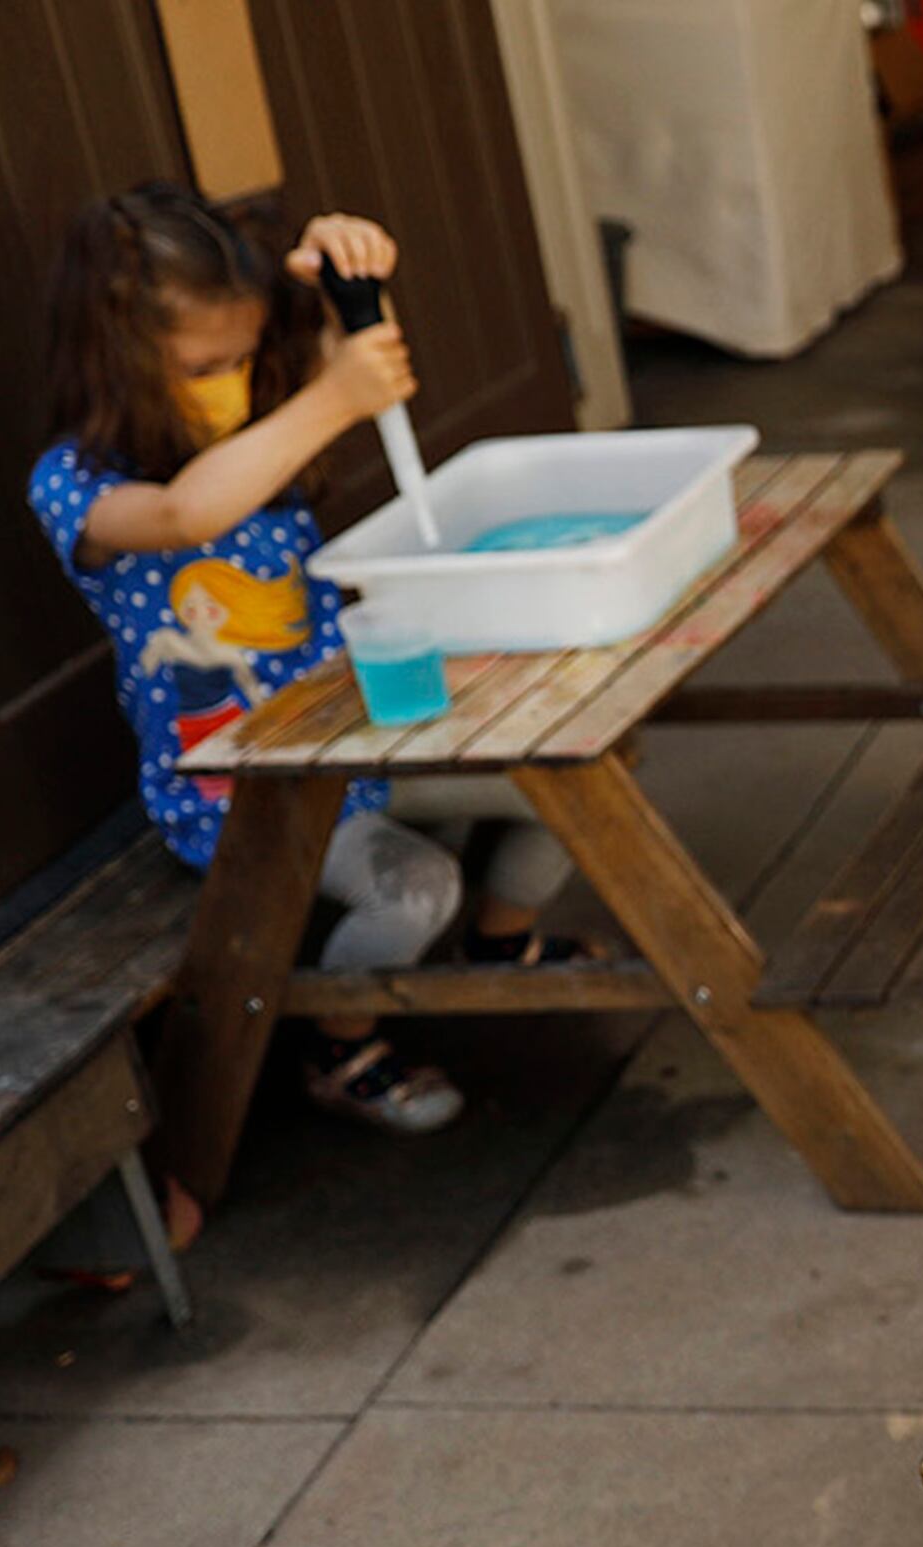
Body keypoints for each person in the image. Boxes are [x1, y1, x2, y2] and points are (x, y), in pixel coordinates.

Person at [31, 184, 592, 1138]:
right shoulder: (78, 487)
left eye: (244, 358)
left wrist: (347, 281)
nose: (232, 382)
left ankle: (499, 950)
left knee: (569, 782)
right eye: (203, 365)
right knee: (418, 887)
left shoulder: (261, 429)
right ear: (113, 362)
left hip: (354, 734)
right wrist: (332, 398)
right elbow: (185, 516)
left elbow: (351, 369)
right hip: (243, 792)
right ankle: (342, 1045)